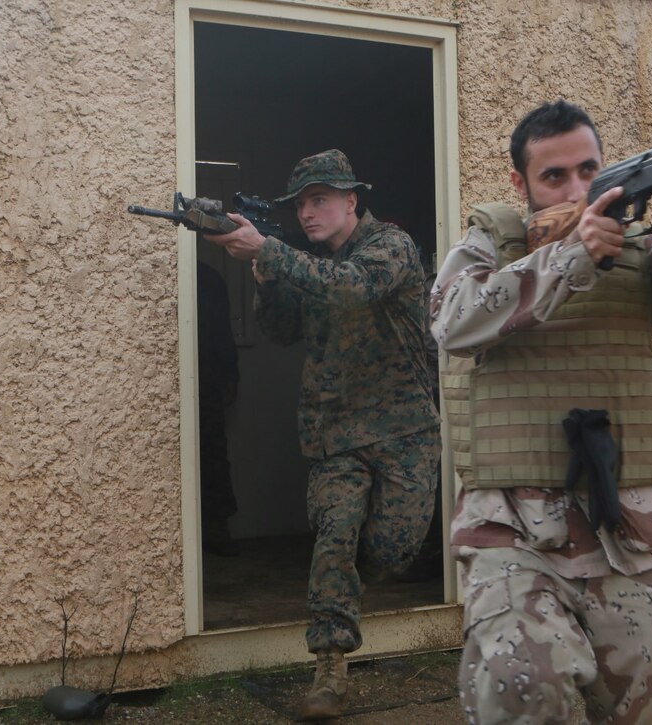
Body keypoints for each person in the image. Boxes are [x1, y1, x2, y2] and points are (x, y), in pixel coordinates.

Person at [430, 100, 652, 724]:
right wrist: (570, 257)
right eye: (555, 176)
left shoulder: (640, 250)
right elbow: (452, 321)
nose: (578, 188)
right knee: (519, 685)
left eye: (589, 170)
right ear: (520, 184)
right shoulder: (489, 244)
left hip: (628, 530)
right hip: (513, 531)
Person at [204, 149, 441, 721]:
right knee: (334, 534)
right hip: (334, 433)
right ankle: (330, 670)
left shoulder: (391, 247)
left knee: (390, 551)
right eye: (302, 205)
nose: (308, 213)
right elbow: (282, 330)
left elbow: (351, 287)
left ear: (351, 201)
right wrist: (264, 274)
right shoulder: (302, 262)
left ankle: (359, 580)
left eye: (320, 200)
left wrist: (273, 252)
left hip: (404, 430)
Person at [196, 261, 242, 557]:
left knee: (212, 453)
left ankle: (216, 528)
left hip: (208, 376)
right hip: (181, 375)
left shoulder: (209, 279)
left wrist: (230, 375)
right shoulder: (206, 276)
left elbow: (223, 334)